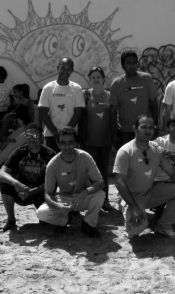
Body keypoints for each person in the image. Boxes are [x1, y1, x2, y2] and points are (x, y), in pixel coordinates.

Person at [113, 114, 175, 239]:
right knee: (135, 231)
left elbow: (172, 172)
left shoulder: (156, 149)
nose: (148, 131)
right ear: (135, 128)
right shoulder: (126, 151)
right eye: (143, 127)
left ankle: (164, 226)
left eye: (151, 128)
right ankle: (126, 206)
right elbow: (119, 182)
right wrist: (133, 207)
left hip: (150, 192)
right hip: (132, 197)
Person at [36, 127, 105, 238]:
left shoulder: (85, 157)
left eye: (70, 142)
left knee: (100, 194)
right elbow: (48, 193)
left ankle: (88, 224)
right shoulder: (53, 164)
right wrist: (58, 206)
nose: (67, 147)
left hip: (82, 197)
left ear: (76, 143)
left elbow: (100, 182)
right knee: (41, 213)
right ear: (58, 144)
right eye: (63, 143)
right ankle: (64, 220)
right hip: (63, 199)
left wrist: (85, 192)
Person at [0, 123, 56, 232]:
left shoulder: (50, 154)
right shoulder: (19, 152)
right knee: (6, 184)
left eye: (35, 136)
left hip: (40, 192)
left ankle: (43, 217)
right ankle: (11, 220)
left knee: (47, 221)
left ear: (41, 137)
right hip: (21, 191)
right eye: (28, 136)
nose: (32, 139)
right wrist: (17, 184)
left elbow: (54, 181)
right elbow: (0, 174)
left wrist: (32, 191)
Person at [79, 66, 114, 212]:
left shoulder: (110, 96)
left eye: (98, 77)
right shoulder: (84, 95)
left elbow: (113, 118)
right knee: (90, 172)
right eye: (93, 77)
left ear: (104, 79)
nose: (96, 80)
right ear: (89, 79)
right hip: (88, 141)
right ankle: (91, 200)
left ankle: (105, 200)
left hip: (105, 141)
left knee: (103, 171)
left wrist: (113, 137)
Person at [110, 50, 158, 149]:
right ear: (123, 65)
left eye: (134, 62)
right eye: (128, 63)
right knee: (127, 161)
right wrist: (113, 133)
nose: (132, 65)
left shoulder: (147, 79)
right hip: (124, 132)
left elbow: (153, 104)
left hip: (145, 129)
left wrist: (155, 126)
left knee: (145, 160)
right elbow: (113, 110)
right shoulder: (117, 83)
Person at [38, 58, 85, 154]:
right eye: (63, 68)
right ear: (57, 68)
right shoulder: (48, 88)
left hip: (71, 136)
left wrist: (65, 133)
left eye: (68, 69)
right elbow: (43, 113)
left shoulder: (77, 88)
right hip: (51, 136)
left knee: (70, 164)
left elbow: (78, 113)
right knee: (51, 164)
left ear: (72, 70)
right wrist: (56, 134)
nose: (65, 71)